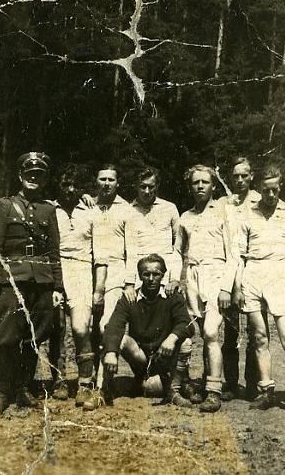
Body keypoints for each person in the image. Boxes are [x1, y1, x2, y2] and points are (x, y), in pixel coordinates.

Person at [0, 152, 64, 415]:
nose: (33, 178)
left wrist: (57, 287)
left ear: (44, 179)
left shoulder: (48, 209)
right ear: (20, 176)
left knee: (35, 335)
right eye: (29, 174)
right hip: (12, 281)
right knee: (7, 337)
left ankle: (23, 387)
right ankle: (1, 390)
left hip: (41, 281)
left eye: (38, 174)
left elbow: (54, 252)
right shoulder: (4, 206)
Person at [236, 164, 285, 416]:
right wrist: (238, 286)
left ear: (281, 187)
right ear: (259, 188)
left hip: (280, 275)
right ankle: (267, 390)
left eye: (275, 190)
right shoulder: (247, 214)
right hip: (253, 275)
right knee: (259, 338)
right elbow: (239, 255)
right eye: (266, 190)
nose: (270, 195)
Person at [127, 166, 194, 405]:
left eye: (151, 187)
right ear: (136, 187)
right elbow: (128, 249)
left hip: (164, 274)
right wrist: (129, 282)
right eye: (142, 187)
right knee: (141, 324)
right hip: (140, 275)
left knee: (172, 326)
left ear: (157, 186)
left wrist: (175, 277)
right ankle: (143, 373)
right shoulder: (128, 210)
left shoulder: (170, 209)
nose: (146, 191)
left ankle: (176, 381)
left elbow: (177, 249)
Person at [175, 164, 238, 412]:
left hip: (216, 274)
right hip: (192, 276)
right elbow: (177, 251)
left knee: (212, 332)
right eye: (195, 182)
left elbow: (233, 255)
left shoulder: (223, 213)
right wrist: (177, 280)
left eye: (205, 182)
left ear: (213, 185)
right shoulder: (185, 217)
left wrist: (225, 288)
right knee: (198, 332)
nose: (200, 186)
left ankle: (214, 390)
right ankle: (204, 383)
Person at [102, 254, 195, 407]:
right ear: (140, 276)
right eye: (146, 274)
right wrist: (111, 352)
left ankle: (173, 391)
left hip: (163, 356)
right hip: (141, 357)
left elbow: (187, 323)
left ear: (163, 275)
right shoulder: (130, 298)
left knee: (185, 341)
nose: (151, 279)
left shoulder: (172, 296)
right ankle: (104, 390)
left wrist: (171, 338)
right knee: (120, 340)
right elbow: (114, 325)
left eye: (156, 274)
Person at [85, 164, 140, 410]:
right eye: (102, 178)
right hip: (88, 273)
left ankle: (102, 388)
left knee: (108, 325)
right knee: (87, 329)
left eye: (111, 179)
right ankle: (85, 383)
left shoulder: (127, 210)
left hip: (116, 275)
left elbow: (133, 250)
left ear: (117, 183)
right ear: (96, 181)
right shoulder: (88, 206)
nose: (106, 183)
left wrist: (130, 283)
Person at [51, 165, 95, 405]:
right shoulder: (49, 209)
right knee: (57, 328)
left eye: (74, 185)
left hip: (81, 271)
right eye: (65, 185)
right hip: (56, 271)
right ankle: (58, 380)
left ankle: (85, 383)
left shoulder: (89, 210)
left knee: (80, 328)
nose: (69, 190)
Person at [218, 157, 260, 401]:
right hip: (228, 268)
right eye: (236, 176)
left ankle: (253, 384)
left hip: (252, 269)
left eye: (245, 175)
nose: (240, 180)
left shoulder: (260, 201)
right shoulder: (224, 204)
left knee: (256, 331)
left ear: (251, 176)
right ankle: (231, 383)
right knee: (231, 332)